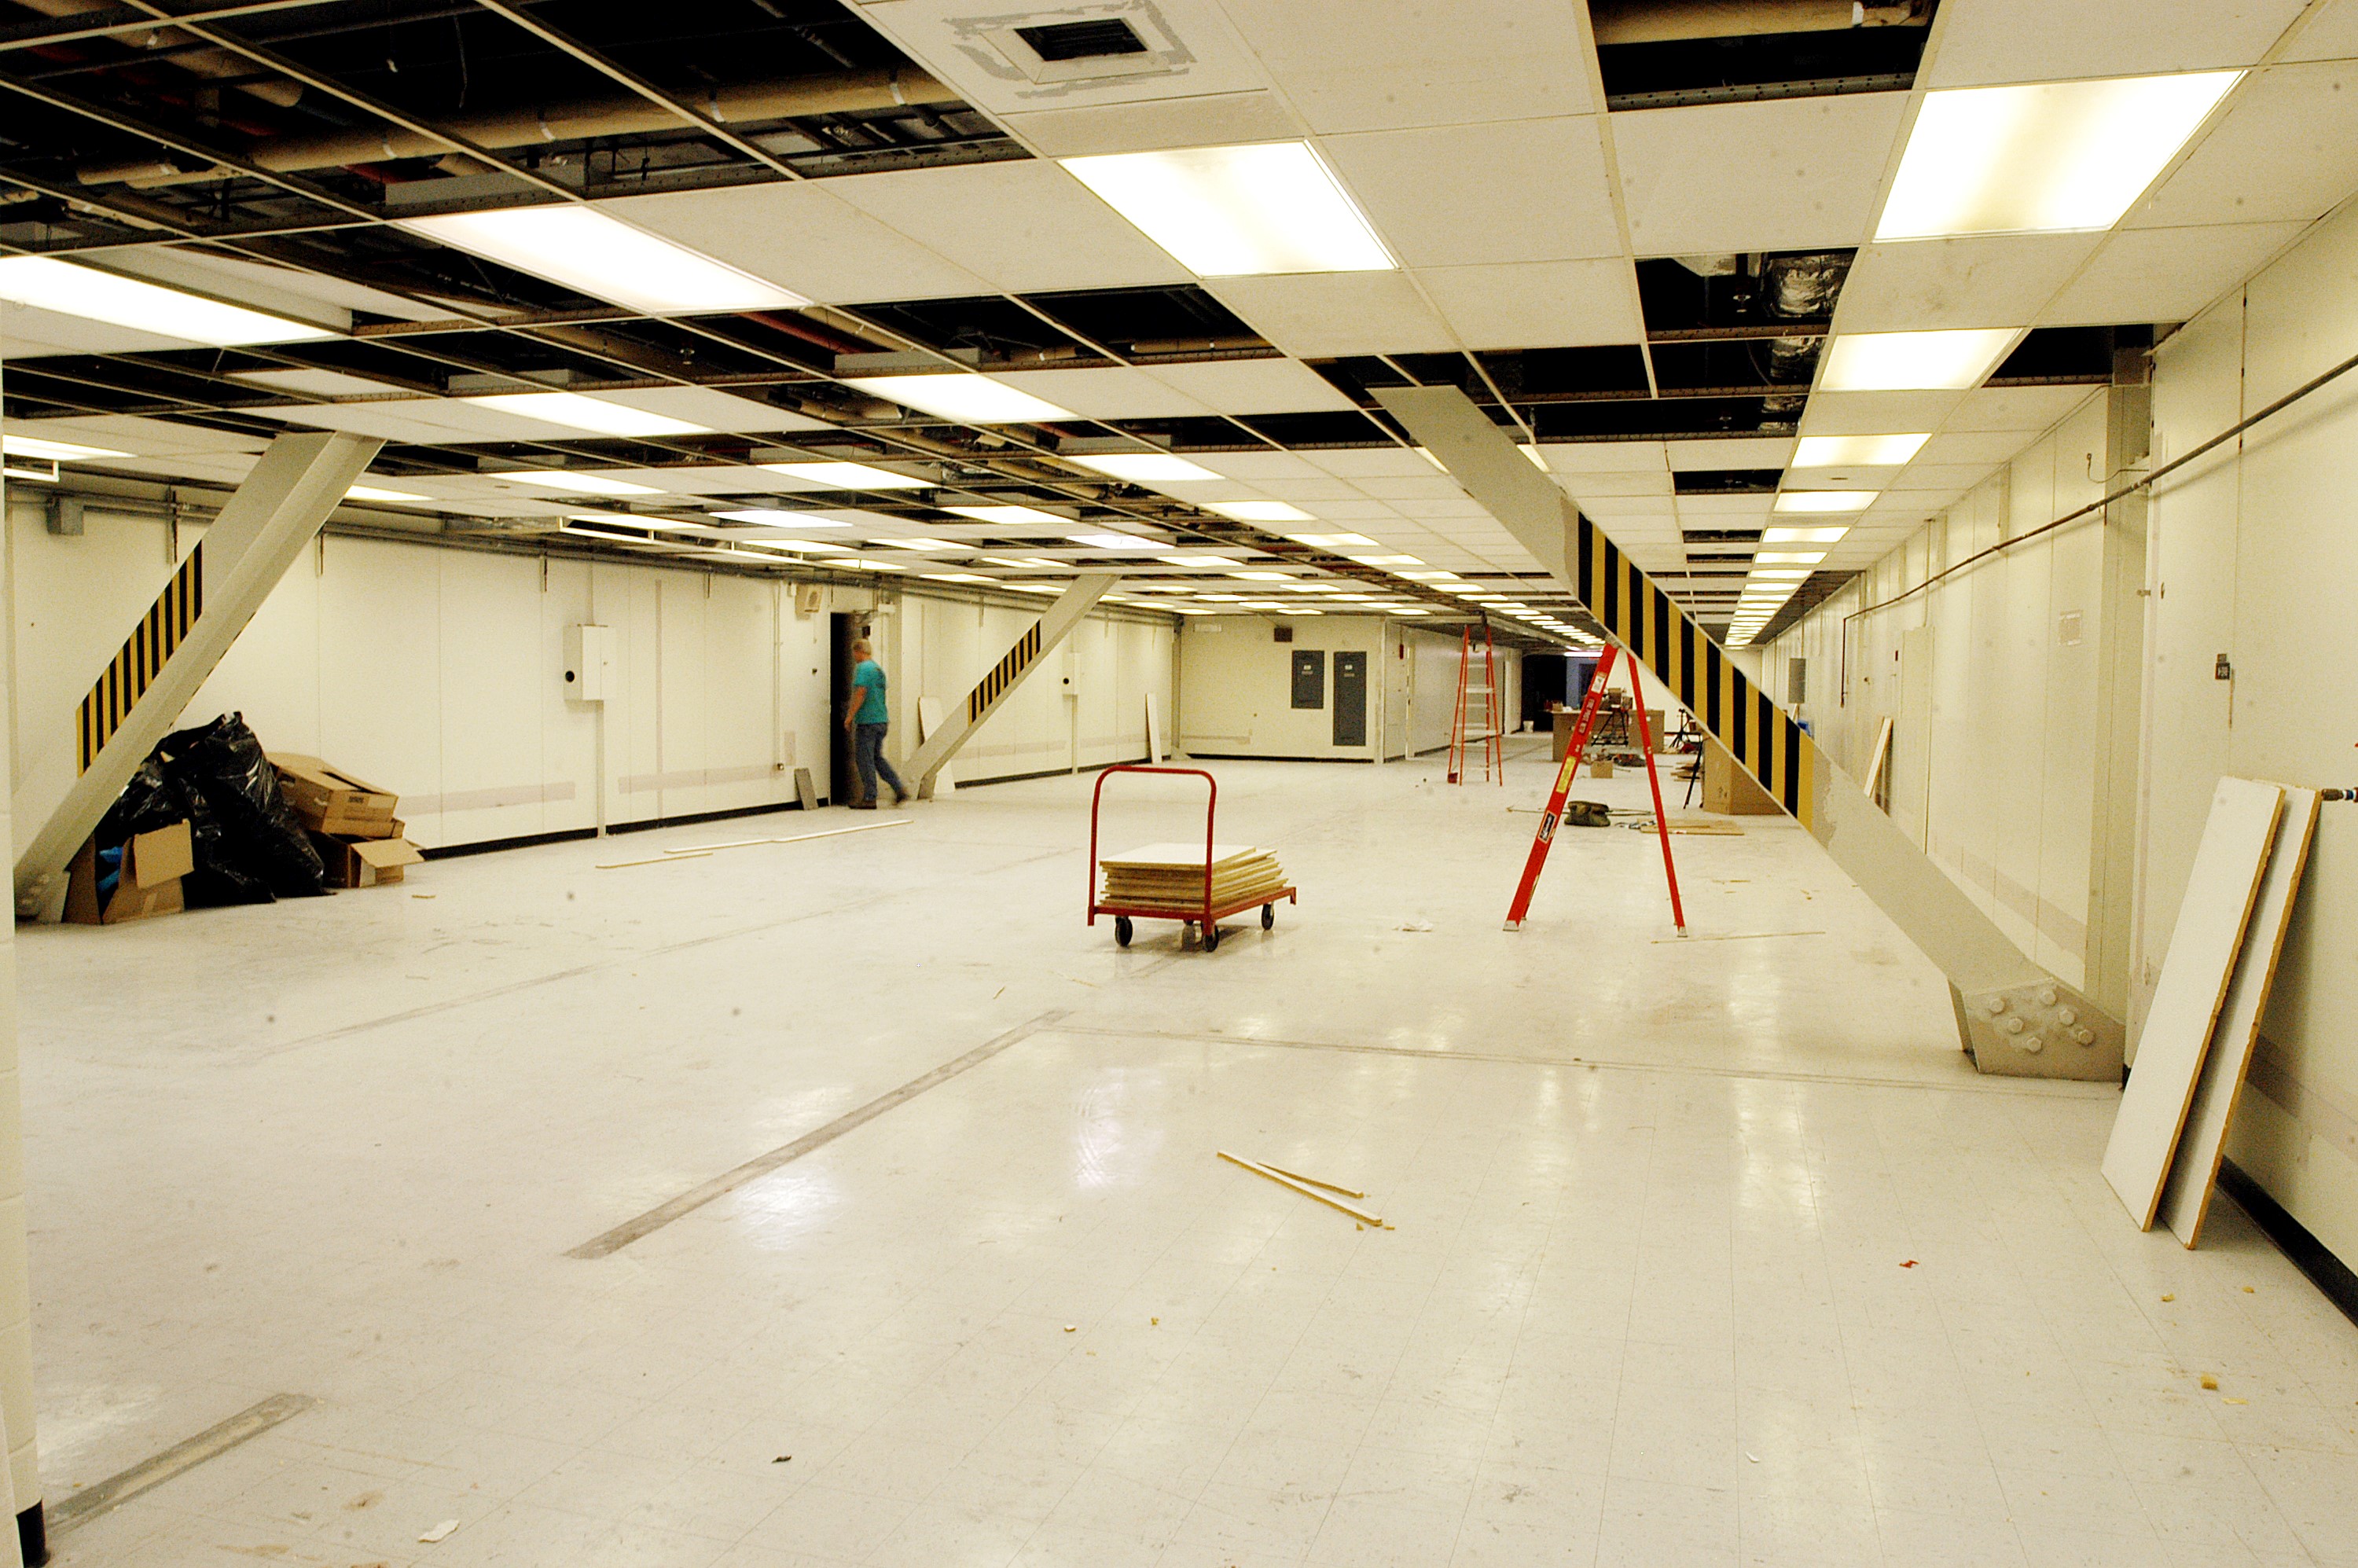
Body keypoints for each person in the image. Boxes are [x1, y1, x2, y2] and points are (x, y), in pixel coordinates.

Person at [843, 637, 909, 809]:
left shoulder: (863, 668)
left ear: (858, 652)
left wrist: (850, 716)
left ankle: (870, 797)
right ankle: (899, 788)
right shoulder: (878, 669)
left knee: (865, 760)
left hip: (868, 721)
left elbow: (861, 692)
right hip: (881, 720)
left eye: (854, 653)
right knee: (877, 758)